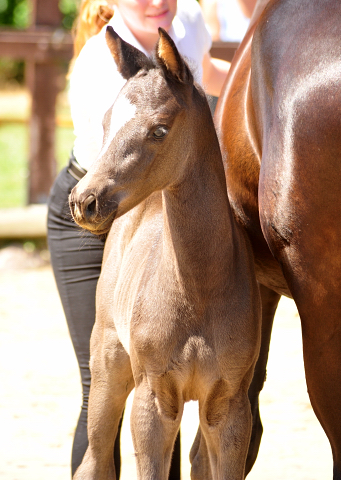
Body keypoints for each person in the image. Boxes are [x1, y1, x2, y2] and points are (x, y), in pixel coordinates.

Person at [47, 0, 230, 478]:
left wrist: (262, 91)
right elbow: (112, 177)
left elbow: (207, 73)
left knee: (159, 377)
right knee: (105, 384)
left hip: (158, 198)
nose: (158, 2)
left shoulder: (184, 21)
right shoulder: (96, 69)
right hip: (97, 207)